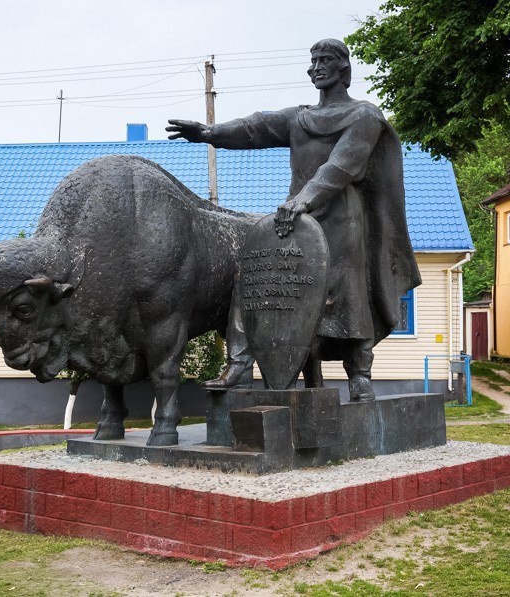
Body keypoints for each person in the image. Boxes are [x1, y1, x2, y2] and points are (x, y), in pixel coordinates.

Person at [166, 38, 420, 401]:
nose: (316, 66)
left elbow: (341, 166)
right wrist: (209, 134)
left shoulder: (364, 116)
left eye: (326, 60)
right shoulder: (300, 118)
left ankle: (359, 374)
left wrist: (303, 200)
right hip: (296, 216)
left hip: (341, 217)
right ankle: (240, 363)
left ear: (343, 69)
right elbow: (256, 127)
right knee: (256, 277)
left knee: (347, 291)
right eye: (313, 60)